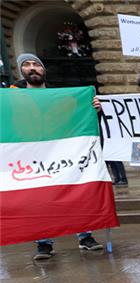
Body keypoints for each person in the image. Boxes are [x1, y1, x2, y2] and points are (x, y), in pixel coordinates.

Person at [12, 53, 105, 259]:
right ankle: (43, 243)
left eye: (36, 64)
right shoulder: (13, 98)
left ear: (43, 69)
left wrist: (94, 110)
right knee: (38, 201)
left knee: (74, 193)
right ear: (22, 71)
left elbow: (77, 120)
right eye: (26, 65)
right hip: (31, 159)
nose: (32, 68)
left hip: (62, 156)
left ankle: (85, 236)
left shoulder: (62, 95)